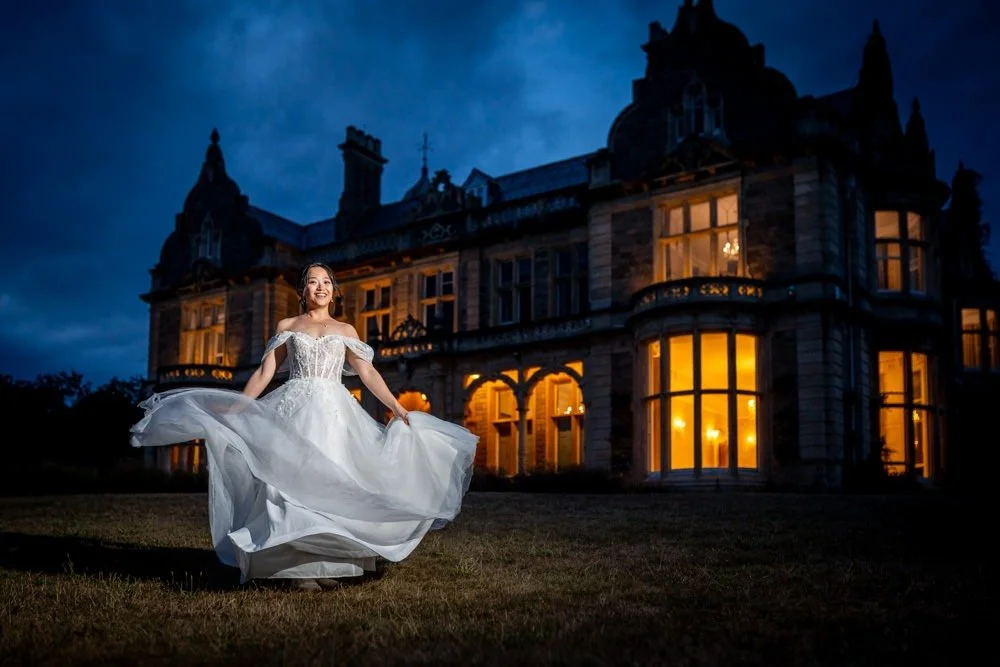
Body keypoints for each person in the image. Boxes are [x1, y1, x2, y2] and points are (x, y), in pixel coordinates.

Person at [130, 262, 478, 590]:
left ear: (334, 290)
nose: (321, 287)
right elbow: (266, 372)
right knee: (287, 484)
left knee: (333, 481)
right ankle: (298, 568)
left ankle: (326, 563)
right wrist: (239, 407)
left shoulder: (346, 330)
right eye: (314, 281)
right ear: (303, 290)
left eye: (327, 282)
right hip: (293, 407)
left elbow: (368, 372)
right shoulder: (287, 327)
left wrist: (397, 407)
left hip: (334, 411)